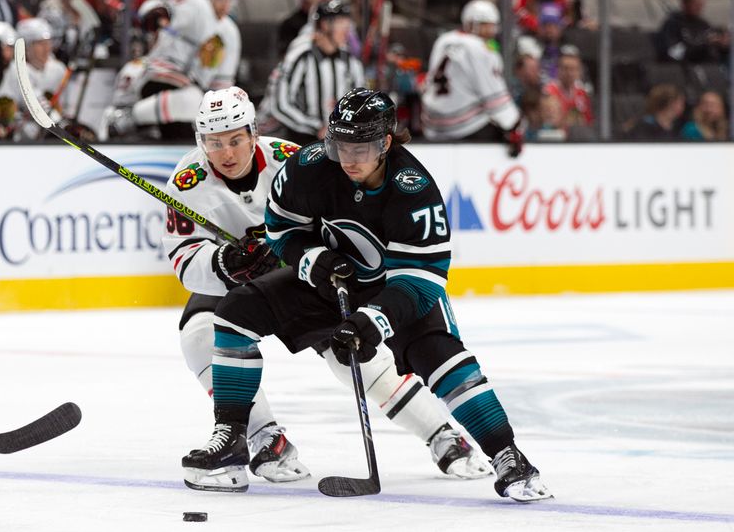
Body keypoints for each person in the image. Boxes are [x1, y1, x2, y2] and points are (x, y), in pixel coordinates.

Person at [183, 87, 552, 502]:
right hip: (330, 283)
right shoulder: (309, 166)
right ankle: (232, 440)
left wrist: (372, 320)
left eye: (362, 148)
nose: (349, 159)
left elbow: (422, 280)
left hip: (397, 290)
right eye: (340, 145)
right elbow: (282, 228)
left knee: (444, 361)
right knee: (236, 311)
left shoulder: (414, 191)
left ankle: (508, 455)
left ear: (386, 143)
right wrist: (311, 260)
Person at [98, 0, 218, 141]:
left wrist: (199, 77)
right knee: (193, 99)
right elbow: (151, 13)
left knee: (194, 100)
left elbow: (212, 47)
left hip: (176, 71)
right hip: (157, 70)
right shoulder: (138, 64)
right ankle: (126, 118)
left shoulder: (199, 7)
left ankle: (129, 118)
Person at [421, 0, 524, 158]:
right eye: (486, 25)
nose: (492, 30)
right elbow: (495, 98)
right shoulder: (480, 48)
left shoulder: (444, 40)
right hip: (464, 125)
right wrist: (514, 125)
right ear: (472, 24)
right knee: (508, 130)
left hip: (432, 124)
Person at [266, 0, 364, 146]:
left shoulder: (350, 60)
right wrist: (316, 128)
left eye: (347, 22)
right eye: (340, 22)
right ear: (325, 24)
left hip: (339, 143)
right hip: (301, 142)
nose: (347, 29)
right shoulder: (300, 56)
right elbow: (280, 104)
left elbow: (360, 99)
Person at [656, 0, 730, 64]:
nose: (699, 8)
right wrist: (703, 44)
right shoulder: (673, 24)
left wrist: (722, 46)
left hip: (708, 68)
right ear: (685, 4)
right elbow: (673, 53)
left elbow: (715, 50)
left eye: (701, 5)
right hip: (681, 69)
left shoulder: (703, 24)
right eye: (696, 5)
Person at [542, 45, 593, 128]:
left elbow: (588, 122)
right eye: (566, 68)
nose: (569, 73)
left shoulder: (583, 93)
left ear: (579, 71)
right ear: (558, 70)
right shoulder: (549, 92)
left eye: (573, 69)